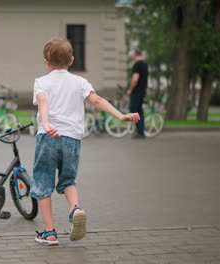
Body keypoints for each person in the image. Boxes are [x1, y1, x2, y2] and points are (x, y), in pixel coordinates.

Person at [31, 38, 140, 246]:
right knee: (68, 181)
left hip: (48, 137)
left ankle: (49, 233)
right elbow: (97, 100)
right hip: (72, 138)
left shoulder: (41, 82)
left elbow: (43, 102)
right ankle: (75, 209)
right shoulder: (80, 82)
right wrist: (121, 116)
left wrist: (46, 123)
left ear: (46, 62)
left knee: (43, 183)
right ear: (71, 60)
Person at [127, 49, 148, 139]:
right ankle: (141, 131)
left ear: (135, 54)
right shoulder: (145, 64)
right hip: (143, 91)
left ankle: (139, 131)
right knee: (139, 111)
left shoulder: (137, 65)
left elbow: (135, 79)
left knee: (133, 109)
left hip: (136, 91)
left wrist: (130, 89)